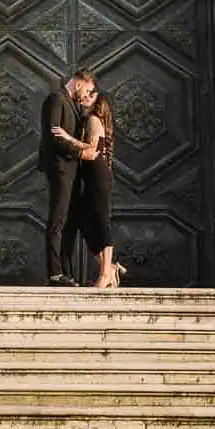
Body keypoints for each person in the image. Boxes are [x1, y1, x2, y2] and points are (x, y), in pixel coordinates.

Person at [53, 85, 123, 290]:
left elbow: (93, 151)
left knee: (102, 221)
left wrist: (67, 138)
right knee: (83, 220)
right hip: (92, 179)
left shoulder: (93, 119)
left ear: (97, 103)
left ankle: (104, 275)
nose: (86, 96)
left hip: (99, 177)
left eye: (91, 96)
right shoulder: (87, 120)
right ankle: (110, 267)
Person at [40, 72, 93, 285]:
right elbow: (53, 136)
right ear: (78, 84)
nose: (87, 94)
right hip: (60, 168)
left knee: (70, 222)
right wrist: (80, 152)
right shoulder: (56, 99)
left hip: (72, 169)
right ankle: (55, 273)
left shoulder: (74, 104)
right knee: (58, 220)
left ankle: (66, 272)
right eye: (87, 90)